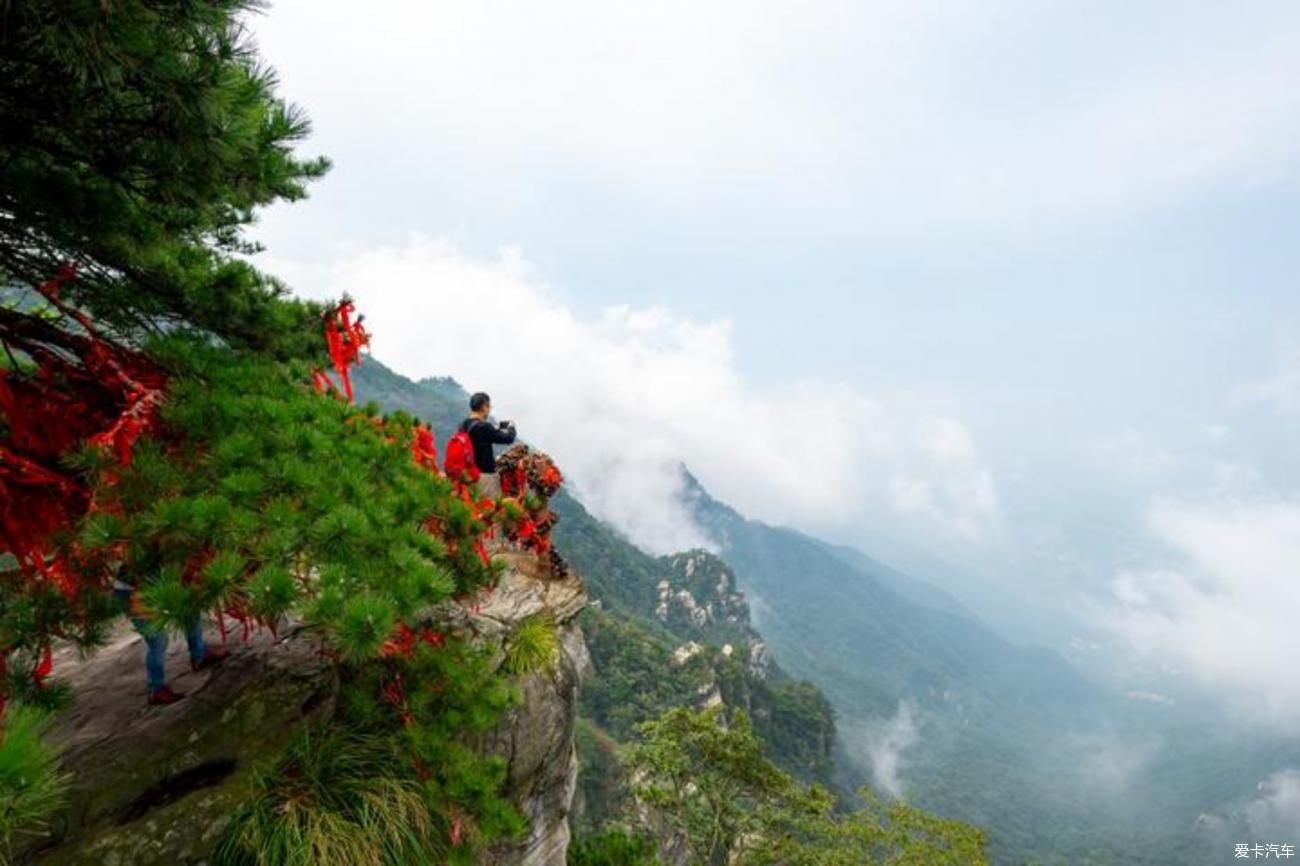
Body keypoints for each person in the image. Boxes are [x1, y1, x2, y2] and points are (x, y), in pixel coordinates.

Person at [113, 577, 228, 706]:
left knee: (191, 607)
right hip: (132, 592)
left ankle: (199, 655)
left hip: (156, 581)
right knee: (157, 639)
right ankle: (156, 689)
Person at [461, 392, 517, 475]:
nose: (489, 410)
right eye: (489, 407)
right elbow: (508, 438)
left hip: (467, 474)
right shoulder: (484, 426)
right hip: (484, 475)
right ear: (484, 406)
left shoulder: (464, 425)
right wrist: (511, 427)